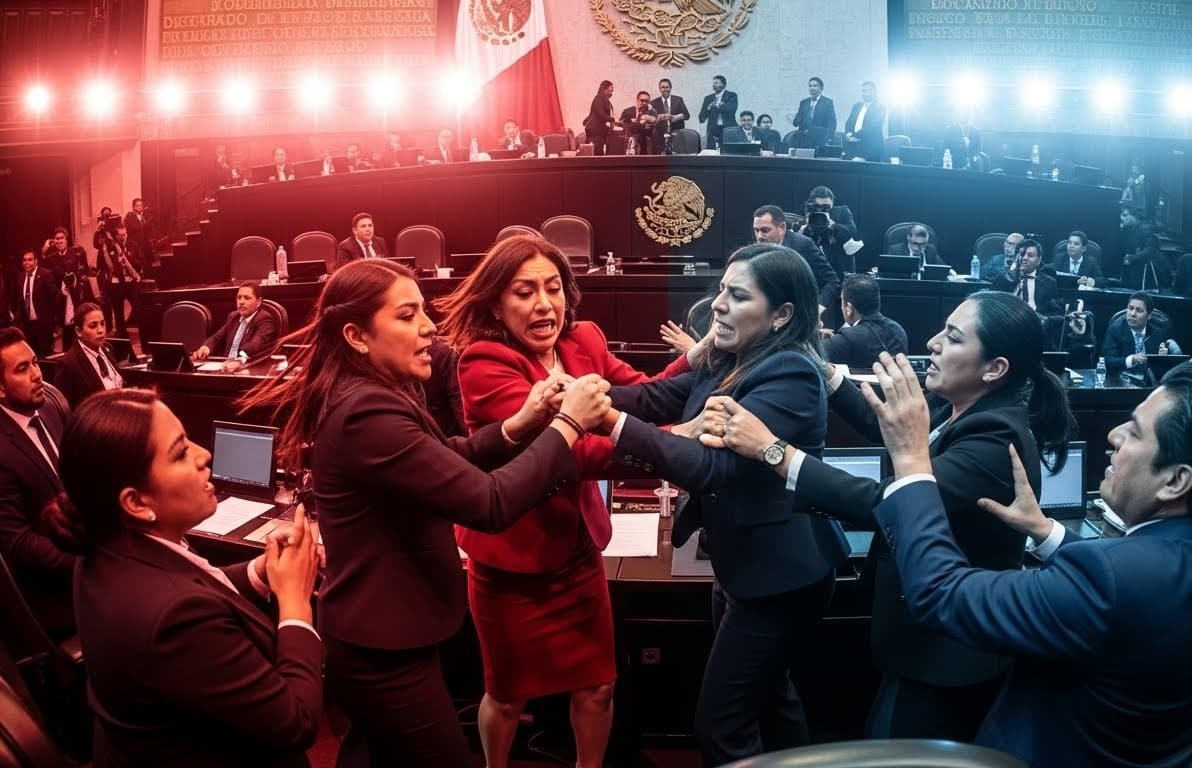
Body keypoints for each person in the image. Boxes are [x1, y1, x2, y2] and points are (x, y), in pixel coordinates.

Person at [239, 258, 612, 766]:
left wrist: (519, 426)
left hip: (382, 636)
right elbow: (488, 502)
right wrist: (567, 426)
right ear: (357, 335)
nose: (429, 327)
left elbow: (449, 460)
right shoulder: (369, 412)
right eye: (407, 315)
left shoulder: (373, 394)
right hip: (383, 649)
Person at [708, 291, 1075, 741]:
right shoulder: (959, 406)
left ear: (995, 368)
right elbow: (888, 426)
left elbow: (890, 500)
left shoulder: (995, 441)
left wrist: (776, 452)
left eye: (954, 338)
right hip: (912, 638)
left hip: (945, 657)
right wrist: (826, 373)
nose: (934, 343)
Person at [869, 354, 1192, 767]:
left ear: (1176, 481)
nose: (1113, 436)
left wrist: (913, 463)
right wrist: (1047, 531)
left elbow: (941, 593)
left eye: (1134, 433)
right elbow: (1139, 585)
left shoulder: (1111, 582)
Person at [437, 235, 697, 768]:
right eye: (525, 292)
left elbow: (639, 392)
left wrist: (700, 356)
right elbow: (574, 454)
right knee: (507, 696)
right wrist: (676, 442)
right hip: (510, 559)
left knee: (598, 685)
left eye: (553, 288)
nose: (544, 305)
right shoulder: (483, 362)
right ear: (495, 304)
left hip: (576, 551)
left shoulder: (584, 341)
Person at [605, 243, 847, 766]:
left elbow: (711, 466)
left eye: (738, 296)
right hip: (740, 564)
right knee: (773, 697)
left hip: (781, 576)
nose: (718, 305)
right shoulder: (732, 359)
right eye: (722, 290)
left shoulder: (791, 372)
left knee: (720, 725)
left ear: (782, 315)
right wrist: (583, 392)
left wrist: (611, 425)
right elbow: (654, 399)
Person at [42, 388, 323, 765]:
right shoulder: (177, 618)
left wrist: (262, 571)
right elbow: (297, 721)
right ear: (137, 503)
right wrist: (295, 605)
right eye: (179, 452)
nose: (204, 454)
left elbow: (194, 583)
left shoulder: (105, 547)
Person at [0, 327, 73, 635]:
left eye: (35, 362)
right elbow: (17, 542)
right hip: (54, 592)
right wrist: (87, 562)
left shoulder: (50, 409)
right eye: (22, 369)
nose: (37, 374)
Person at [751, 205, 840, 319]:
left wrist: (817, 309)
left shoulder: (803, 245)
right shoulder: (757, 249)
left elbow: (832, 281)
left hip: (799, 318)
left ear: (782, 227)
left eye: (765, 230)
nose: (759, 236)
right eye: (756, 230)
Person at [821, 274, 908, 367]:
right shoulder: (899, 331)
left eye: (842, 302)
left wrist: (821, 341)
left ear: (849, 308)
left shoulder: (846, 339)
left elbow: (814, 359)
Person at [53, 303, 122, 410]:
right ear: (78, 331)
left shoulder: (107, 350)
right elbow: (63, 411)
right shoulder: (68, 364)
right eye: (93, 326)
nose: (100, 330)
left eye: (102, 324)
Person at [192, 282, 278, 367]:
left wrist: (240, 360)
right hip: (225, 368)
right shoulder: (233, 317)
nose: (241, 302)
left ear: (258, 302)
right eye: (239, 297)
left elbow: (256, 344)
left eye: (247, 298)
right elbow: (216, 338)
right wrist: (206, 348)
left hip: (247, 369)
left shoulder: (264, 318)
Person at [1101, 292, 1181, 381]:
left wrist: (1161, 358)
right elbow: (1108, 361)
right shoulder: (1116, 329)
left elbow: (1160, 371)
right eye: (1130, 308)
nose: (1133, 314)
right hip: (1121, 382)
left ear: (1149, 315)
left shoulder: (1157, 333)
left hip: (1148, 384)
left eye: (1139, 310)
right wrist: (1131, 360)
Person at [798, 186, 862, 276]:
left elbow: (853, 232)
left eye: (827, 207)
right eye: (818, 206)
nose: (823, 210)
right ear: (811, 205)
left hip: (839, 266)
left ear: (832, 202)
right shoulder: (809, 215)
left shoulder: (841, 212)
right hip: (813, 266)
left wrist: (834, 225)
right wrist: (805, 228)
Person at [42, 228, 85, 350]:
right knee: (66, 329)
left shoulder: (76, 253)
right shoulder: (51, 258)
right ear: (53, 241)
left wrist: (75, 279)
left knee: (79, 326)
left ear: (66, 240)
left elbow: (83, 270)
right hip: (62, 296)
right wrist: (45, 249)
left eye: (62, 238)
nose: (59, 241)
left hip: (76, 294)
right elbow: (42, 269)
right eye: (57, 238)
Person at [12, 249, 59, 356]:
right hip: (27, 327)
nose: (27, 263)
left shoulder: (46, 275)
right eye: (24, 260)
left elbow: (54, 299)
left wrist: (53, 324)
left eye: (30, 260)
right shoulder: (20, 277)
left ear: (36, 261)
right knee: (32, 356)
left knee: (46, 357)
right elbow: (19, 302)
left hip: (43, 326)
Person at [992, 239, 1059, 314]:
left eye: (1030, 255)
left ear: (1038, 260)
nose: (1024, 258)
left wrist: (1045, 320)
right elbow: (992, 307)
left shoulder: (1049, 282)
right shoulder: (1003, 278)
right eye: (1021, 254)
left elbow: (1056, 313)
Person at [843, 81, 886, 161]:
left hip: (871, 150)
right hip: (853, 148)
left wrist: (854, 136)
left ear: (875, 92)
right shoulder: (857, 106)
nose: (866, 93)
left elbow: (872, 127)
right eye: (864, 91)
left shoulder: (880, 108)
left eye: (869, 90)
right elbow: (848, 123)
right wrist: (848, 135)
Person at [790, 76, 836, 149]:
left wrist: (829, 138)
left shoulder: (827, 103)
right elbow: (796, 123)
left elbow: (832, 123)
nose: (812, 88)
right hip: (803, 140)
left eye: (815, 86)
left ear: (821, 89)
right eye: (810, 86)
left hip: (819, 139)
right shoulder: (804, 103)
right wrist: (794, 118)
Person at [698, 75, 738, 150]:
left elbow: (732, 110)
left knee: (729, 151)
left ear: (723, 85)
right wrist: (708, 108)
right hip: (713, 130)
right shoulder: (708, 98)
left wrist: (722, 106)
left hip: (728, 129)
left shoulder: (732, 96)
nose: (714, 85)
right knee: (712, 152)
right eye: (713, 83)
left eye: (716, 83)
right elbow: (701, 118)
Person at [651, 78, 690, 152]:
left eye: (667, 87)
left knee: (677, 156)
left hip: (676, 132)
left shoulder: (678, 100)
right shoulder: (654, 103)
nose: (665, 89)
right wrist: (658, 118)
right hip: (660, 134)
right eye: (663, 87)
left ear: (670, 88)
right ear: (659, 89)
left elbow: (687, 115)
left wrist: (676, 117)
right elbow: (652, 121)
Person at [583, 80, 616, 153]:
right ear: (605, 89)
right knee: (596, 152)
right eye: (610, 90)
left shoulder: (602, 99)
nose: (611, 93)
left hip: (598, 132)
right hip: (595, 133)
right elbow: (600, 113)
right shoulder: (599, 99)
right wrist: (611, 119)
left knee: (599, 151)